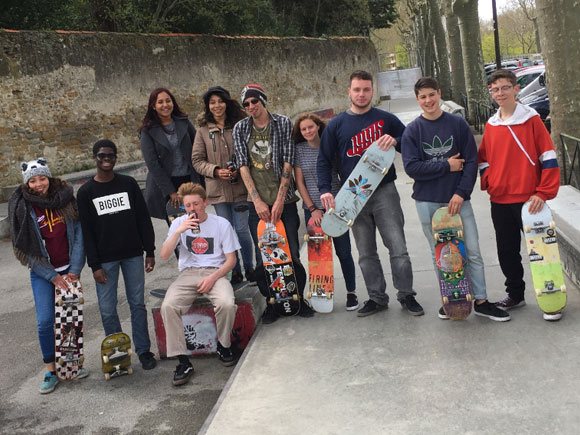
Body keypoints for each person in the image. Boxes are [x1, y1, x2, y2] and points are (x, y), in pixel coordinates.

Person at [402, 77, 510, 322]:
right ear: (418, 99)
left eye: (432, 94)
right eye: (423, 97)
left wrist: (461, 193)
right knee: (440, 254)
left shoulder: (457, 124)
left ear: (439, 94)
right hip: (428, 201)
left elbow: (471, 162)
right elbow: (412, 168)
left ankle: (481, 300)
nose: (428, 100)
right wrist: (446, 165)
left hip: (459, 201)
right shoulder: (412, 131)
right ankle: (451, 299)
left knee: (471, 251)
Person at [318, 70, 424, 318]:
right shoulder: (336, 125)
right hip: (353, 195)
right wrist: (325, 190)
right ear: (349, 91)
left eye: (366, 89)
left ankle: (406, 294)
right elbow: (324, 160)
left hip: (384, 190)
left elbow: (408, 138)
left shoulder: (386, 119)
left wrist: (395, 139)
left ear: (372, 91)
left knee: (397, 246)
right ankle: (377, 297)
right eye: (357, 90)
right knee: (366, 252)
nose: (362, 94)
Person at [478, 69, 561, 321]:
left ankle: (552, 298)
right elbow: (484, 160)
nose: (500, 93)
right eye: (495, 89)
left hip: (530, 201)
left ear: (515, 89)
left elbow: (548, 157)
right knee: (507, 251)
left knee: (542, 251)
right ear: (491, 93)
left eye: (505, 87)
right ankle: (515, 294)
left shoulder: (531, 120)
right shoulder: (491, 125)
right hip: (500, 200)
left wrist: (542, 193)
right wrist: (491, 182)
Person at [233, 83, 314, 323]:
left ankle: (298, 298)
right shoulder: (240, 128)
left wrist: (279, 201)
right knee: (264, 257)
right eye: (246, 104)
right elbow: (243, 165)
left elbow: (288, 163)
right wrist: (257, 201)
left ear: (263, 101)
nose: (251, 107)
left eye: (254, 101)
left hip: (284, 202)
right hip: (256, 204)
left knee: (290, 253)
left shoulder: (282, 123)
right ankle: (272, 302)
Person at [8, 158, 89, 394]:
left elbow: (78, 236)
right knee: (45, 321)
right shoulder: (23, 207)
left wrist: (74, 270)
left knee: (70, 319)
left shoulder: (65, 199)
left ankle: (70, 365)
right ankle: (50, 370)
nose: (38, 184)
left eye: (42, 178)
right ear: (27, 183)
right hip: (44, 273)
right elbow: (26, 249)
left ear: (49, 178)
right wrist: (52, 276)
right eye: (32, 180)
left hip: (69, 269)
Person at [77, 139, 158, 369]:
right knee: (107, 309)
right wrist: (94, 266)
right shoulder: (85, 193)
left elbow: (143, 219)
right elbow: (87, 232)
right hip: (105, 260)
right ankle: (119, 354)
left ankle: (144, 351)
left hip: (133, 254)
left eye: (110, 156)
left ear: (115, 158)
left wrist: (149, 251)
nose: (106, 159)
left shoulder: (129, 184)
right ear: (95, 157)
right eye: (102, 155)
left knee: (137, 305)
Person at [159, 182, 240, 386]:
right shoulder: (179, 223)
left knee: (226, 303)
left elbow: (231, 260)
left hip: (216, 272)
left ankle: (223, 345)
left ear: (205, 202)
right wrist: (178, 231)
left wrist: (213, 278)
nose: (192, 209)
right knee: (168, 306)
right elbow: (164, 255)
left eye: (196, 204)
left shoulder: (221, 224)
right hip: (188, 273)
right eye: (188, 206)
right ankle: (183, 361)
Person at [292, 113, 360, 311]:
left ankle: (351, 293)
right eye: (303, 129)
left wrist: (343, 203)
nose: (307, 132)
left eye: (310, 127)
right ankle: (320, 295)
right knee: (318, 256)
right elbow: (300, 182)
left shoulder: (330, 146)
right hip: (312, 209)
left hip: (336, 206)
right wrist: (312, 208)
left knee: (344, 252)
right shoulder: (299, 150)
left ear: (318, 127)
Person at [192, 86, 256, 285]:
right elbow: (196, 160)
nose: (217, 106)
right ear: (208, 106)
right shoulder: (202, 131)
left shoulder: (240, 125)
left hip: (240, 188)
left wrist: (238, 168)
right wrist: (215, 171)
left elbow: (251, 151)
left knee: (242, 229)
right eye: (212, 102)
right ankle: (234, 270)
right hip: (218, 191)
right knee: (226, 231)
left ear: (227, 103)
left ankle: (250, 268)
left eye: (220, 101)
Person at [140, 87, 202, 223]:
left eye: (168, 101)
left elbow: (198, 148)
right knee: (178, 228)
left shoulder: (184, 122)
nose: (165, 105)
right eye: (160, 102)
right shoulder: (147, 131)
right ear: (153, 106)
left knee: (197, 225)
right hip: (168, 184)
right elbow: (153, 164)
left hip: (190, 182)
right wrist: (171, 192)